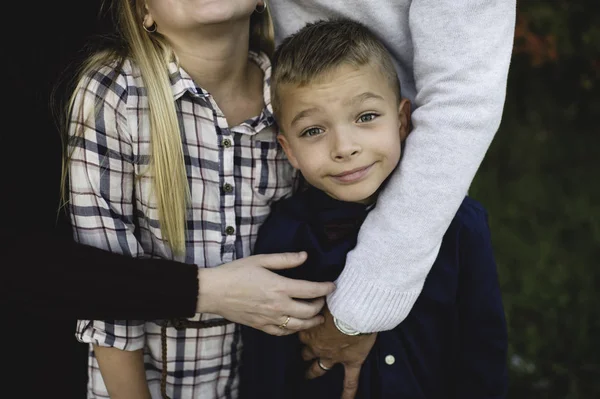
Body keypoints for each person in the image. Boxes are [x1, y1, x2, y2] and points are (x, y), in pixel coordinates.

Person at [62, 1, 335, 398]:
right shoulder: (114, 94)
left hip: (270, 379)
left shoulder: (297, 95)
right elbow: (106, 298)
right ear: (145, 12)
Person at [240, 18, 508, 399]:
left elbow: (483, 353)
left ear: (402, 121)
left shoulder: (461, 224)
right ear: (289, 151)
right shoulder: (284, 236)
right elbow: (266, 372)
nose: (344, 147)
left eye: (366, 117)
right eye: (313, 130)